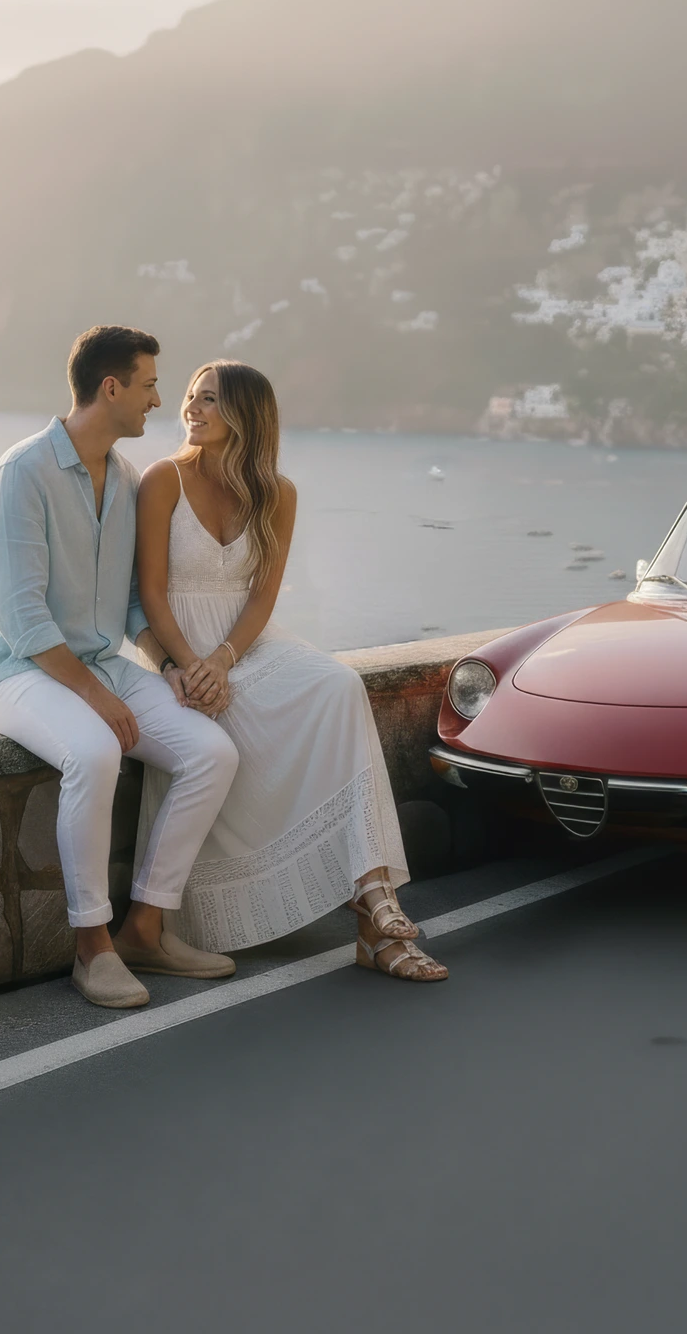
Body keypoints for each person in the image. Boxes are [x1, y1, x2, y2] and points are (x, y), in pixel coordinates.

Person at [134, 360, 447, 982]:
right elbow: (149, 592)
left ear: (247, 414)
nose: (191, 409)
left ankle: (373, 892)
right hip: (181, 650)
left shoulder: (278, 492)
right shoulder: (162, 479)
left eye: (210, 401)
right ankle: (376, 919)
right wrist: (192, 665)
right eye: (191, 398)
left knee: (338, 685)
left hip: (246, 644)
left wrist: (225, 659)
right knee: (246, 726)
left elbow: (262, 596)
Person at [0, 325, 240, 1009]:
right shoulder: (21, 473)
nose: (159, 400)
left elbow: (127, 604)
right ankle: (92, 948)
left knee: (212, 752)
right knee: (93, 753)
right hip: (17, 673)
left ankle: (146, 926)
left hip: (96, 663)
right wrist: (96, 695)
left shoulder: (125, 480)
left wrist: (168, 667)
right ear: (110, 387)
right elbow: (22, 622)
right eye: (149, 384)